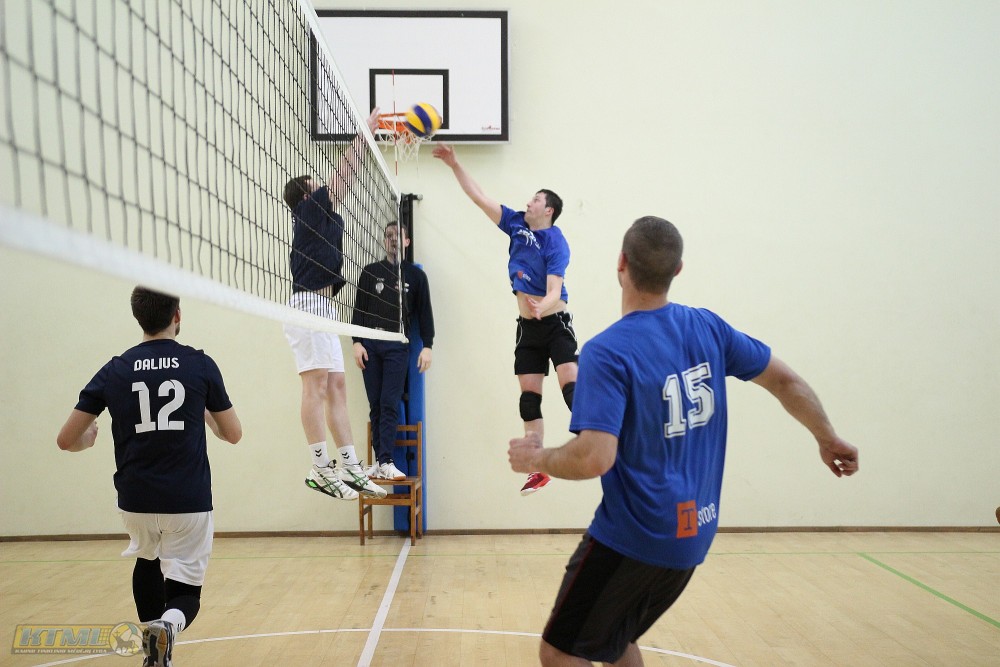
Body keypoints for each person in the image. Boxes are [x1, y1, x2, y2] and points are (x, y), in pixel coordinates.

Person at [507, 216, 860, 666]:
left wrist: (537, 458)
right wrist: (827, 438)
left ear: (621, 263)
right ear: (677, 270)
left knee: (559, 653)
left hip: (634, 536)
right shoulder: (707, 327)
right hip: (693, 536)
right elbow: (785, 381)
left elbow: (594, 457)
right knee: (616, 639)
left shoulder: (607, 351)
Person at [56, 287, 243, 667]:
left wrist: (86, 442)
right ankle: (167, 628)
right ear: (178, 315)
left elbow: (66, 440)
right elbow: (233, 434)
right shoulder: (199, 365)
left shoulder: (115, 368)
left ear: (138, 317)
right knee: (186, 593)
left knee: (147, 558)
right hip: (188, 500)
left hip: (135, 501)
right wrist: (204, 412)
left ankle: (156, 654)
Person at [433, 143, 578, 496]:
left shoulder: (555, 242)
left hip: (555, 324)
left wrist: (543, 306)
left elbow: (555, 289)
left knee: (572, 390)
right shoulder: (515, 223)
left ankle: (605, 444)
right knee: (528, 400)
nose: (528, 202)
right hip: (527, 328)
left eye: (535, 200)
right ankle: (539, 469)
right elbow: (479, 197)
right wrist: (454, 164)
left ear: (549, 209)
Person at [282, 107, 386, 501]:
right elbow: (342, 179)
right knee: (316, 386)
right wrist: (364, 134)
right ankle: (320, 468)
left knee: (337, 385)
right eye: (318, 186)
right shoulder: (308, 211)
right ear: (308, 196)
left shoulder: (326, 220)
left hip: (325, 308)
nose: (325, 188)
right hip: (307, 306)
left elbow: (341, 187)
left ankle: (351, 467)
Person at [351, 221, 435, 480]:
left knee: (389, 403)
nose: (393, 239)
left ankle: (386, 461)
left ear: (407, 241)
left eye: (398, 235)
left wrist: (428, 346)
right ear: (384, 241)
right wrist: (356, 342)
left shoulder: (416, 276)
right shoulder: (370, 272)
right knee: (375, 404)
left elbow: (425, 314)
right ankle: (380, 462)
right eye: (389, 235)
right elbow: (359, 310)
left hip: (398, 346)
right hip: (370, 344)